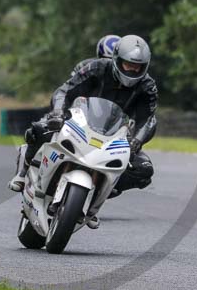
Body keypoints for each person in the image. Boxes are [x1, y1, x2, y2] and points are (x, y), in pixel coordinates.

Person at [9, 35, 158, 225]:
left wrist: (137, 140)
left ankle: (99, 192)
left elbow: (149, 119)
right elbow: (64, 91)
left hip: (115, 134)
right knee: (38, 129)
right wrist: (57, 114)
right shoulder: (96, 68)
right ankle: (24, 170)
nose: (132, 70)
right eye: (128, 64)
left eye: (138, 66)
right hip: (76, 120)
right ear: (117, 59)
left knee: (143, 170)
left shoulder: (148, 86)